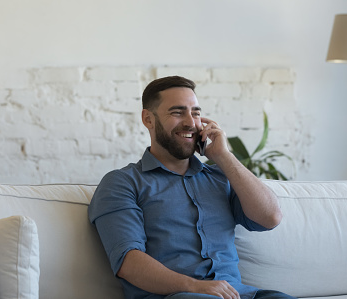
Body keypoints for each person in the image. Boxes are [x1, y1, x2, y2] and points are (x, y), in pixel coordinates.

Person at [88, 76, 297, 299]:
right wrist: (196, 287)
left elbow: (270, 217)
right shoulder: (122, 183)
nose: (191, 123)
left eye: (196, 113)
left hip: (239, 294)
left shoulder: (220, 177)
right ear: (148, 119)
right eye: (177, 112)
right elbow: (128, 262)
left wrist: (223, 156)